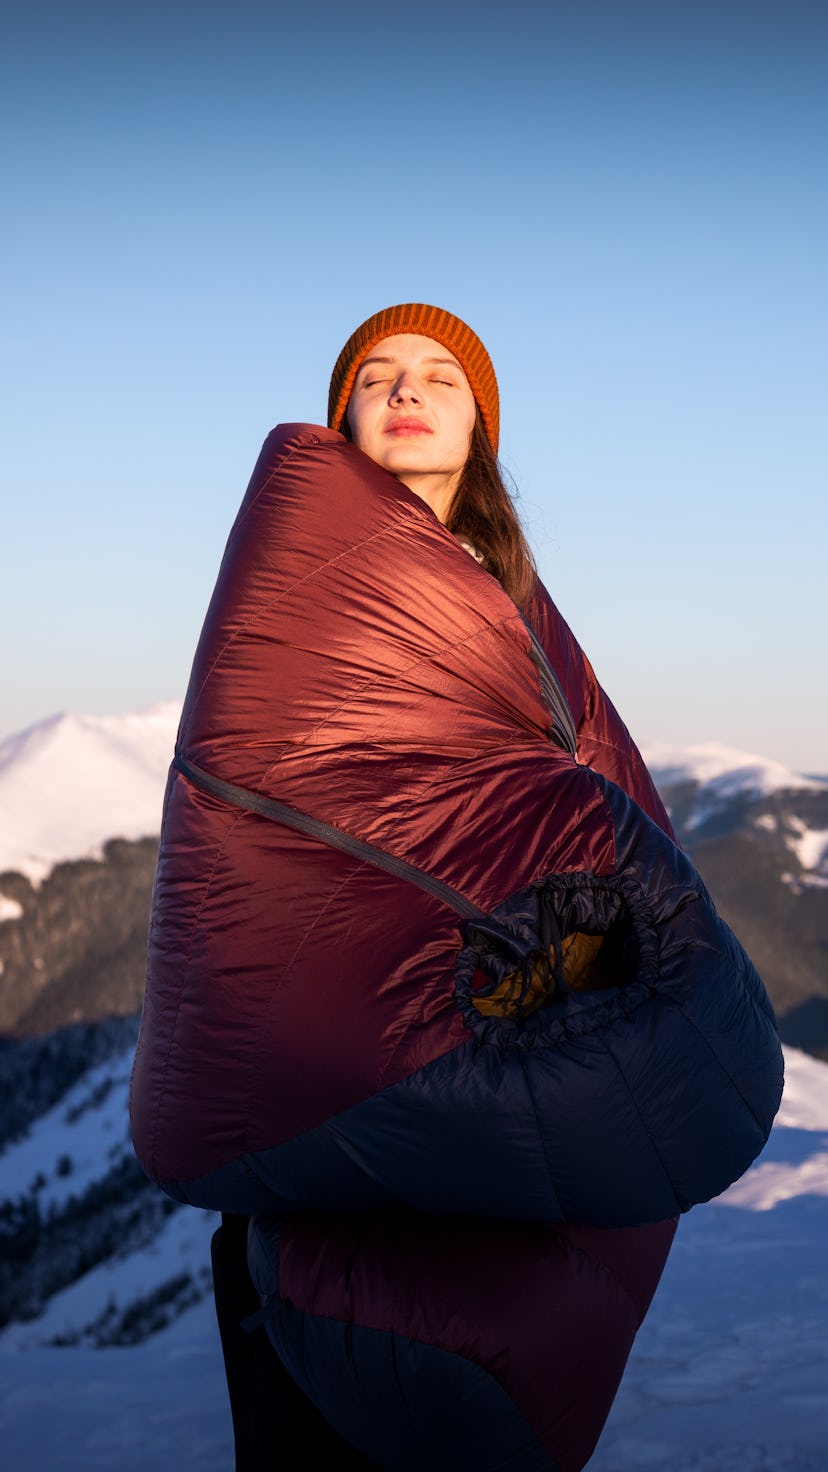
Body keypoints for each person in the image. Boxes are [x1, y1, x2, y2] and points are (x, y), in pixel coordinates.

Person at [131, 304, 783, 1471]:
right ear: (342, 418)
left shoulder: (516, 612)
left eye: (438, 374)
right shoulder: (299, 590)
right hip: (319, 1176)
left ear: (480, 423)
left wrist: (560, 949)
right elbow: (259, 801)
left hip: (490, 1096)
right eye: (374, 376)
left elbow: (599, 806)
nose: (403, 389)